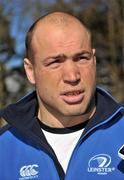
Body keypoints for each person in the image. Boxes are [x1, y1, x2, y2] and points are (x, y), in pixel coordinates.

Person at [0, 11, 124, 180]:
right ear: (30, 71)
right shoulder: (4, 148)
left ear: (94, 60)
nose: (72, 76)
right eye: (55, 62)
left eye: (81, 58)